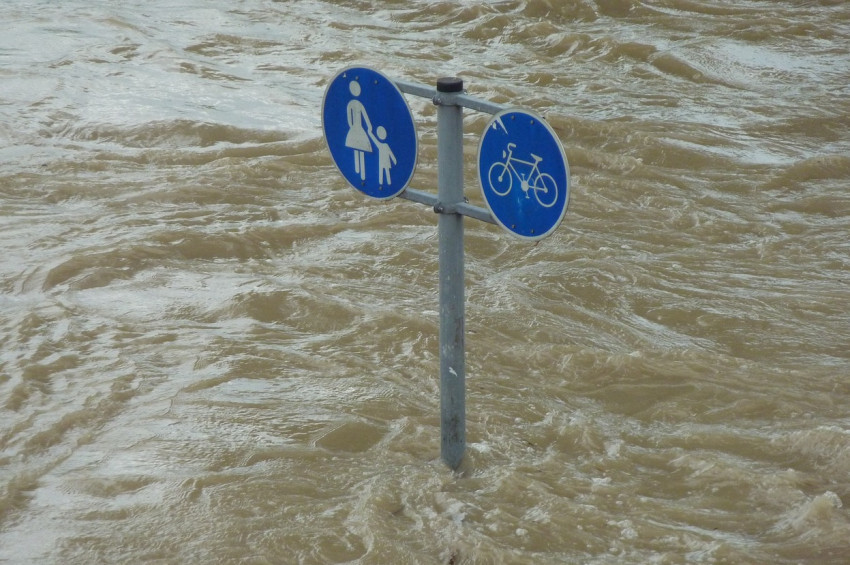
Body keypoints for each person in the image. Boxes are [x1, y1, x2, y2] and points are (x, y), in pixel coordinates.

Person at [344, 81, 373, 180]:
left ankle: (361, 174)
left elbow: (364, 116)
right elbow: (351, 118)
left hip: (356, 128)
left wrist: (367, 126)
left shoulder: (354, 104)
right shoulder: (353, 104)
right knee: (358, 149)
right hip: (357, 129)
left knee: (359, 148)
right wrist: (368, 127)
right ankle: (359, 174)